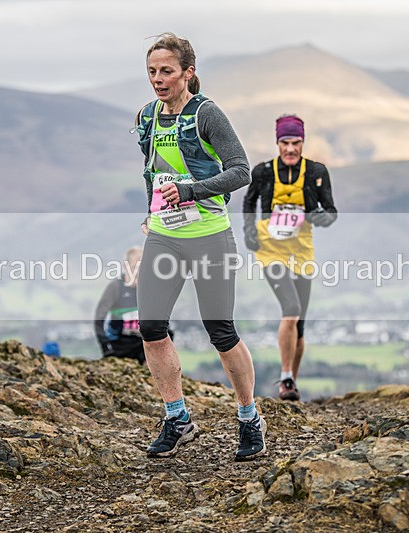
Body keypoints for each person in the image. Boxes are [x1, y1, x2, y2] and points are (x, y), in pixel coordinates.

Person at [133, 32, 266, 461]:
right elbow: (154, 172)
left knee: (220, 330)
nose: (158, 79)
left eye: (167, 71)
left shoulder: (207, 115)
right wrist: (151, 211)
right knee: (151, 327)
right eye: (152, 71)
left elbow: (241, 172)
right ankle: (177, 418)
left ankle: (249, 419)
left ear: (188, 72)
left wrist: (190, 191)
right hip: (165, 236)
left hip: (209, 235)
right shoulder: (147, 116)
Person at [242, 114, 337, 401]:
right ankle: (284, 378)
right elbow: (249, 201)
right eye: (285, 143)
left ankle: (291, 382)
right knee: (291, 309)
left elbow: (331, 211)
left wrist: (321, 217)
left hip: (302, 250)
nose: (291, 149)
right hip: (271, 250)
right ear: (277, 143)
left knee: (301, 322)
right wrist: (249, 230)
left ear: (303, 142)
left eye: (296, 142)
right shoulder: (263, 172)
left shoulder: (316, 172)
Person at [94, 246, 147, 364]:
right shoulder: (116, 287)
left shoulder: (148, 288)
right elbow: (99, 318)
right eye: (134, 267)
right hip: (119, 344)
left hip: (142, 344)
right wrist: (105, 345)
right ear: (125, 266)